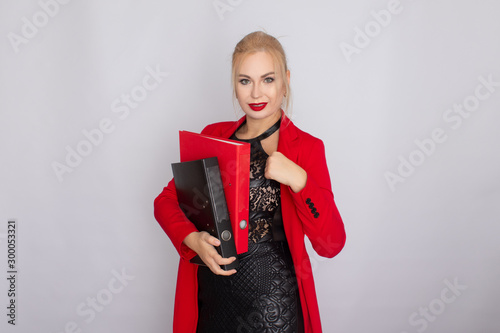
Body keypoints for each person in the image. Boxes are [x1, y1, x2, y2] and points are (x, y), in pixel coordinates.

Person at [154, 31, 346, 333]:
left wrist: (300, 180)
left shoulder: (306, 148)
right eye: (245, 81)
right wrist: (193, 241)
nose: (256, 93)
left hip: (274, 306)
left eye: (267, 79)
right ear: (235, 84)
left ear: (285, 81)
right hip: (214, 303)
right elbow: (165, 202)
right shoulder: (214, 136)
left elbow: (331, 243)